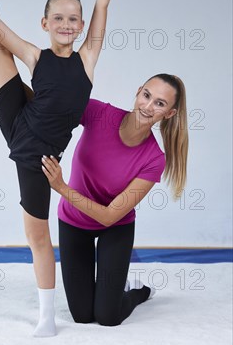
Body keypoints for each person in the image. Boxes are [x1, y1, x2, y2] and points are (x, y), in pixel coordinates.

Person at [0, 0, 133, 336]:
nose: (67, 25)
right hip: (19, 119)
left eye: (74, 19)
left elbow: (104, 3)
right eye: (59, 19)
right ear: (45, 23)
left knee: (37, 235)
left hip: (38, 156)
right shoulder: (37, 56)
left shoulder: (87, 57)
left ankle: (46, 317)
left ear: (82, 24)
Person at [42, 74, 188, 326]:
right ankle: (109, 287)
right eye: (147, 95)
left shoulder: (154, 159)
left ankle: (137, 291)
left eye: (160, 104)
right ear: (138, 91)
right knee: (82, 316)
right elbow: (50, 107)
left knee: (108, 317)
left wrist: (61, 187)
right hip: (74, 222)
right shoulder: (100, 113)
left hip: (115, 228)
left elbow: (110, 215)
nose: (148, 106)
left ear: (169, 114)